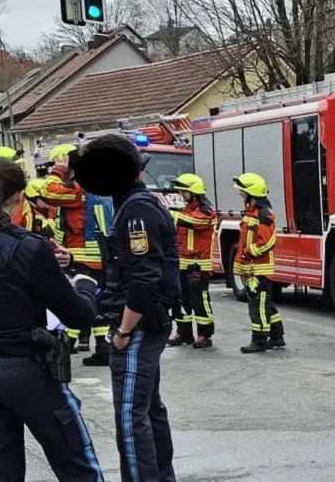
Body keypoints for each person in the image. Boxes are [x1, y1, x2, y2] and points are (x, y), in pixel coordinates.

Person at [0, 156, 105, 481]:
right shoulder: (26, 247)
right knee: (76, 464)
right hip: (25, 370)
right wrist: (86, 284)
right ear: (19, 196)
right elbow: (78, 316)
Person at [74, 134, 178, 482]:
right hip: (147, 321)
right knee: (149, 410)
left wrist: (122, 333)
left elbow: (144, 278)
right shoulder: (134, 206)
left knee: (131, 417)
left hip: (139, 324)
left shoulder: (136, 210)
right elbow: (128, 267)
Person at [42, 144, 115, 363]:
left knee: (73, 302)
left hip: (80, 257)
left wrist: (57, 172)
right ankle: (103, 347)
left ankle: (66, 345)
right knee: (98, 302)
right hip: (98, 257)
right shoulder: (97, 187)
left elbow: (47, 192)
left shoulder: (77, 189)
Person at [233, 172, 286, 354]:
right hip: (253, 268)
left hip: (259, 269)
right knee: (267, 304)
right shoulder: (253, 213)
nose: (241, 194)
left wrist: (248, 253)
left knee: (258, 307)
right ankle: (277, 336)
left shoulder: (263, 215)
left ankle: (259, 341)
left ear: (251, 193)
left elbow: (267, 241)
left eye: (243, 192)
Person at [167, 173, 217, 349]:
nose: (181, 195)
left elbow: (194, 222)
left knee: (199, 300)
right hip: (181, 262)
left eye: (183, 191)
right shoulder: (185, 211)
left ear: (193, 193)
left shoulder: (206, 211)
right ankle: (184, 333)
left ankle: (205, 334)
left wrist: (169, 213)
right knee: (181, 299)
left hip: (198, 264)